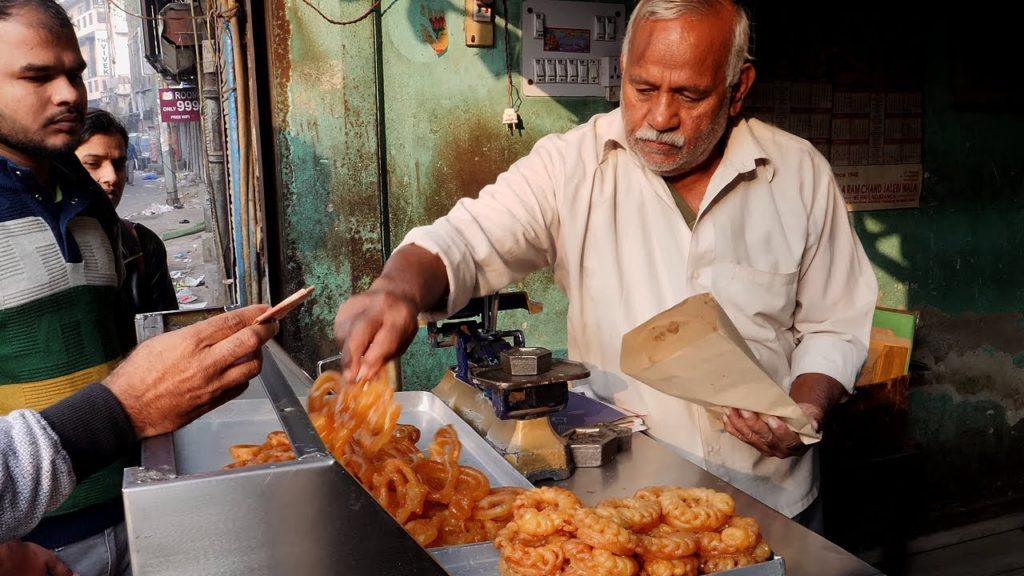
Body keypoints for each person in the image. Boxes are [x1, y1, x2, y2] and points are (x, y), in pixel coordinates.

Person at [334, 0, 877, 530]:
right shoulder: (571, 166)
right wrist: (397, 290)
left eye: (690, 95)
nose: (660, 117)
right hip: (625, 508)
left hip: (776, 501)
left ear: (739, 89)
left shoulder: (797, 174)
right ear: (621, 71)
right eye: (643, 89)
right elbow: (463, 240)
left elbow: (834, 323)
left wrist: (807, 410)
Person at [0, 1, 278, 574]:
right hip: (30, 543)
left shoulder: (91, 208)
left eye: (74, 72)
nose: (69, 93)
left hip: (133, 511)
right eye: (36, 76)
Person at [76, 109, 178, 314]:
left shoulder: (143, 243)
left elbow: (166, 330)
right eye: (93, 164)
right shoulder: (42, 250)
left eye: (118, 164)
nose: (111, 177)